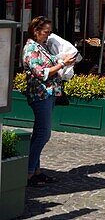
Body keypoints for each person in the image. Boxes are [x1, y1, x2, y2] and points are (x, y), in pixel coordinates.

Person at [22, 16, 76, 186]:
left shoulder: (42, 46)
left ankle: (36, 171)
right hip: (40, 94)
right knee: (44, 134)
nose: (48, 35)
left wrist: (62, 61)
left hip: (48, 93)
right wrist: (62, 64)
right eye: (46, 32)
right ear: (36, 31)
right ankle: (28, 173)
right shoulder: (31, 48)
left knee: (39, 133)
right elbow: (41, 73)